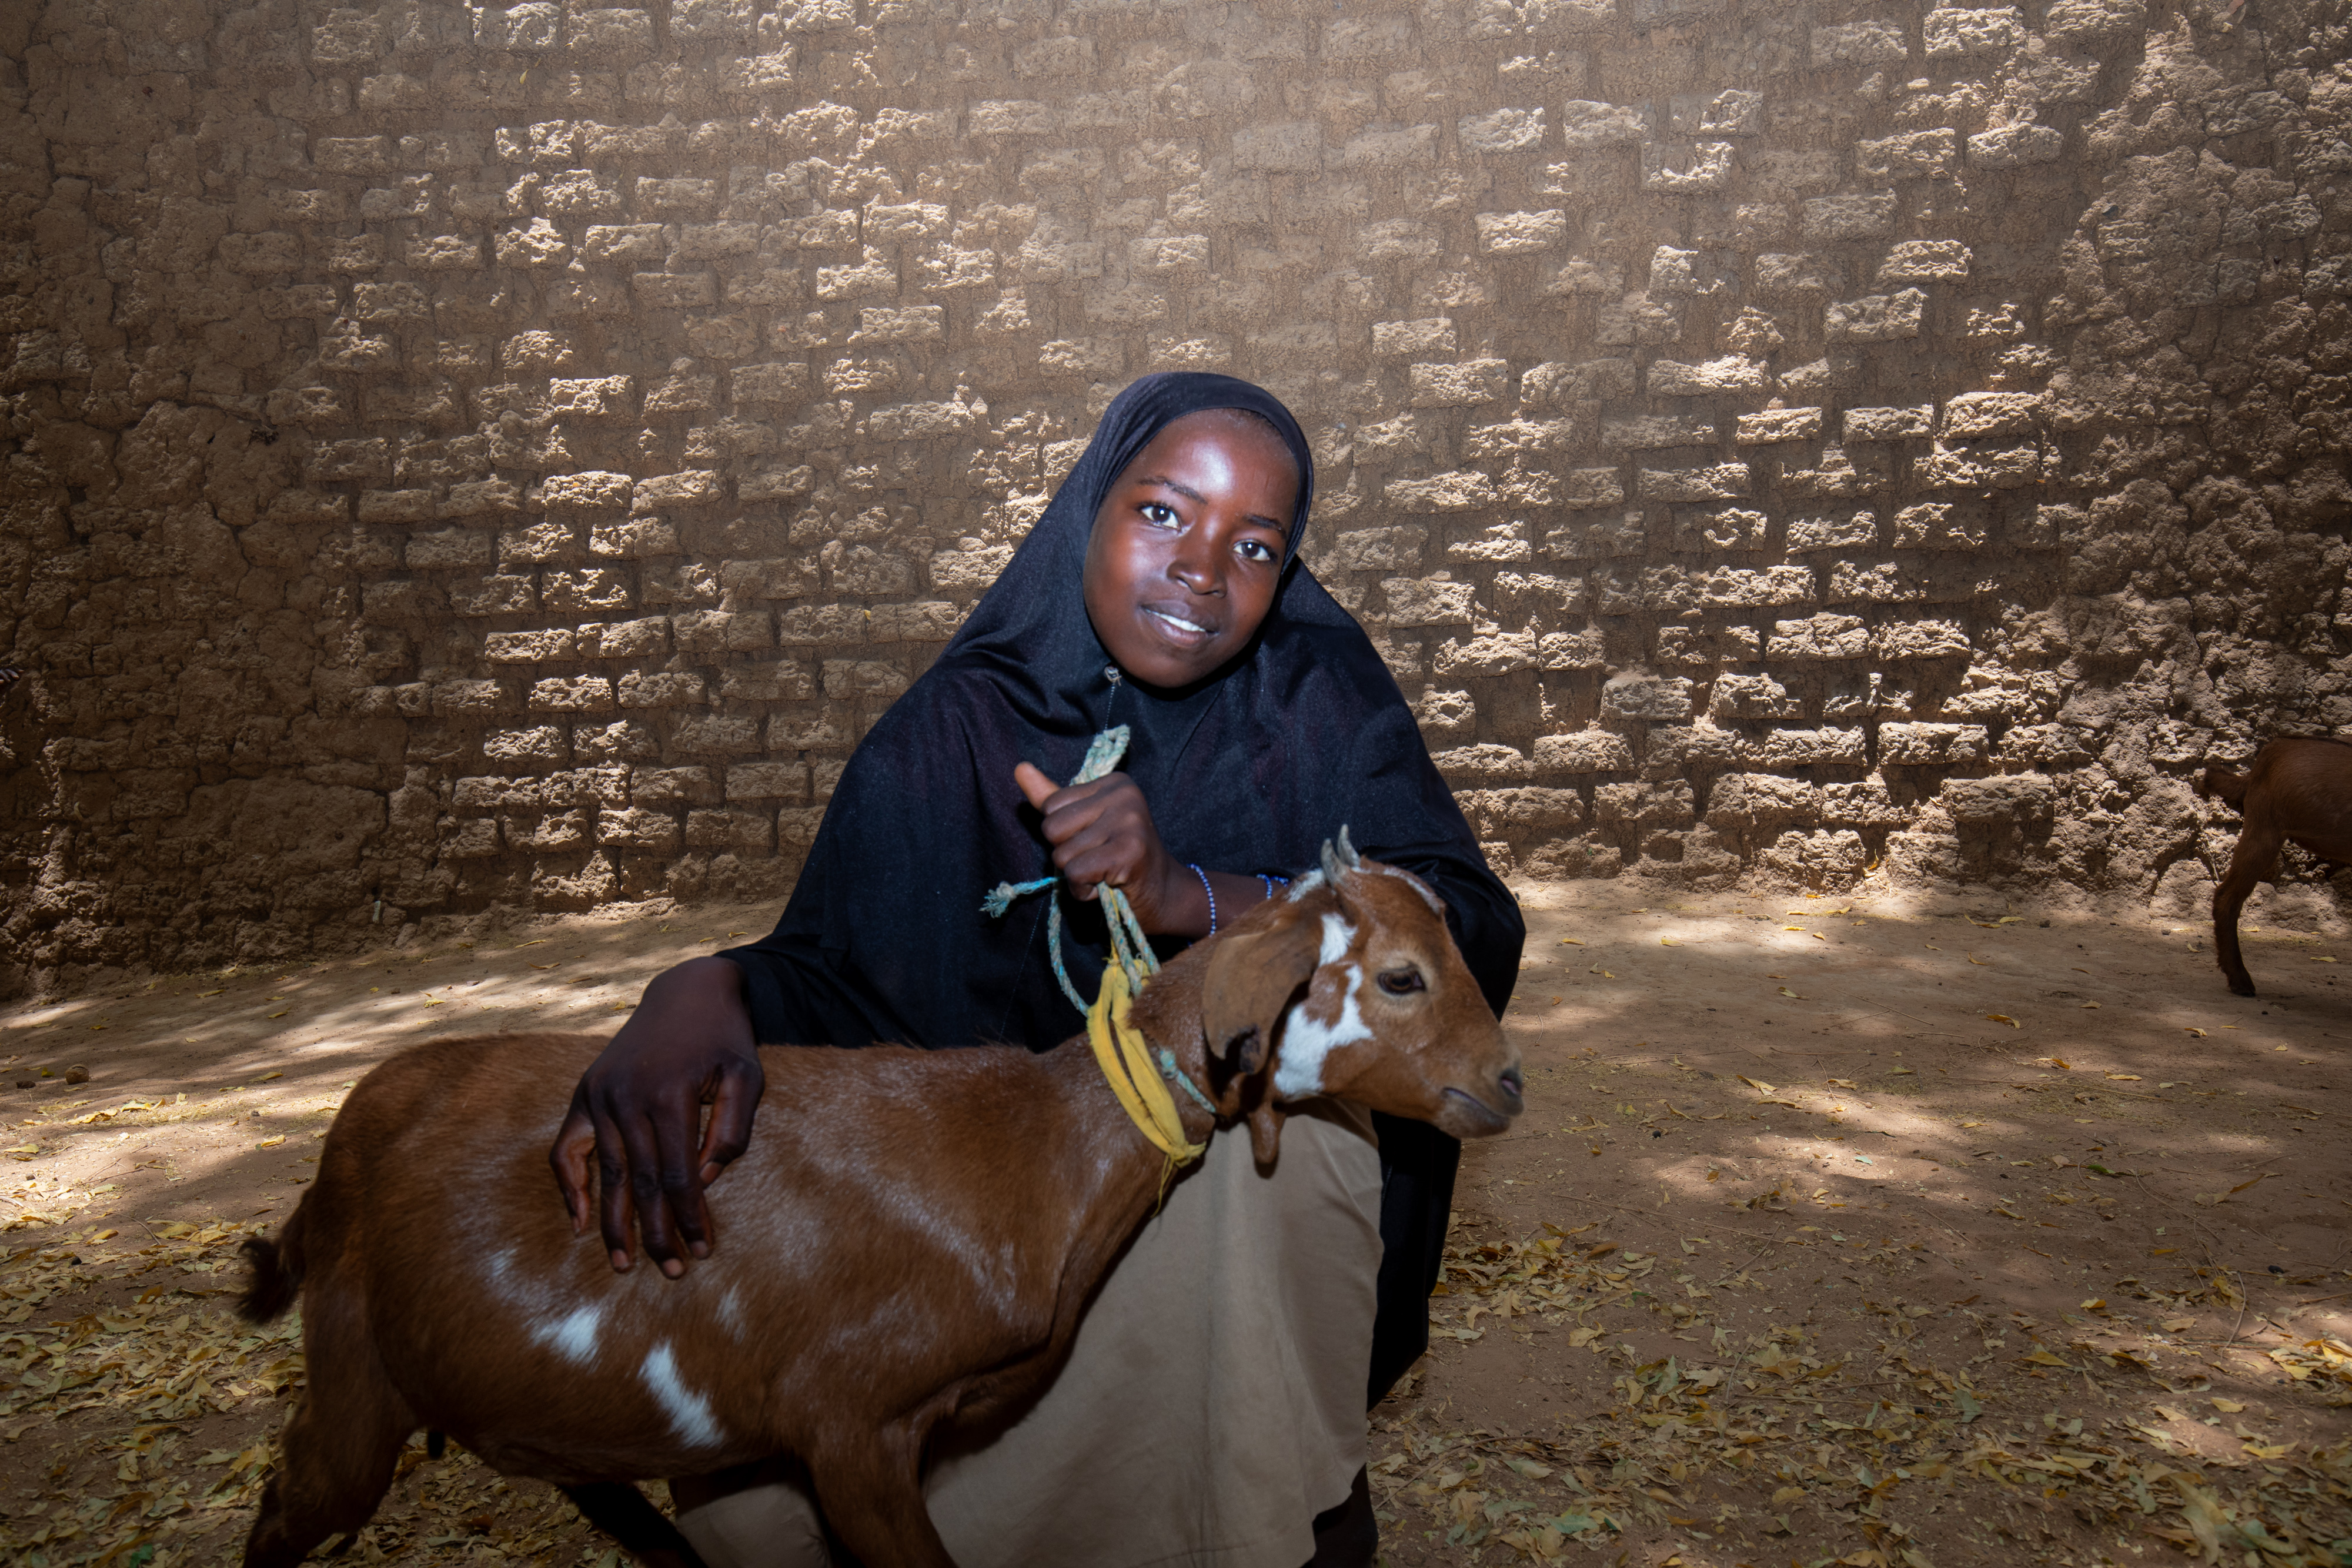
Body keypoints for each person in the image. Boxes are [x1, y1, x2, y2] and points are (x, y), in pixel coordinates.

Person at [549, 373, 1524, 1566]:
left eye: (1255, 544)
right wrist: (702, 987)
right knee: (763, 1497)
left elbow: (1461, 922)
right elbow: (840, 983)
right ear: (1088, 510)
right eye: (1163, 513)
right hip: (973, 1266)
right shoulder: (961, 726)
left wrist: (1188, 898)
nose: (1202, 569)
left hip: (1194, 1277)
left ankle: (1291, 1517)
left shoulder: (1314, 706)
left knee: (1298, 1113)